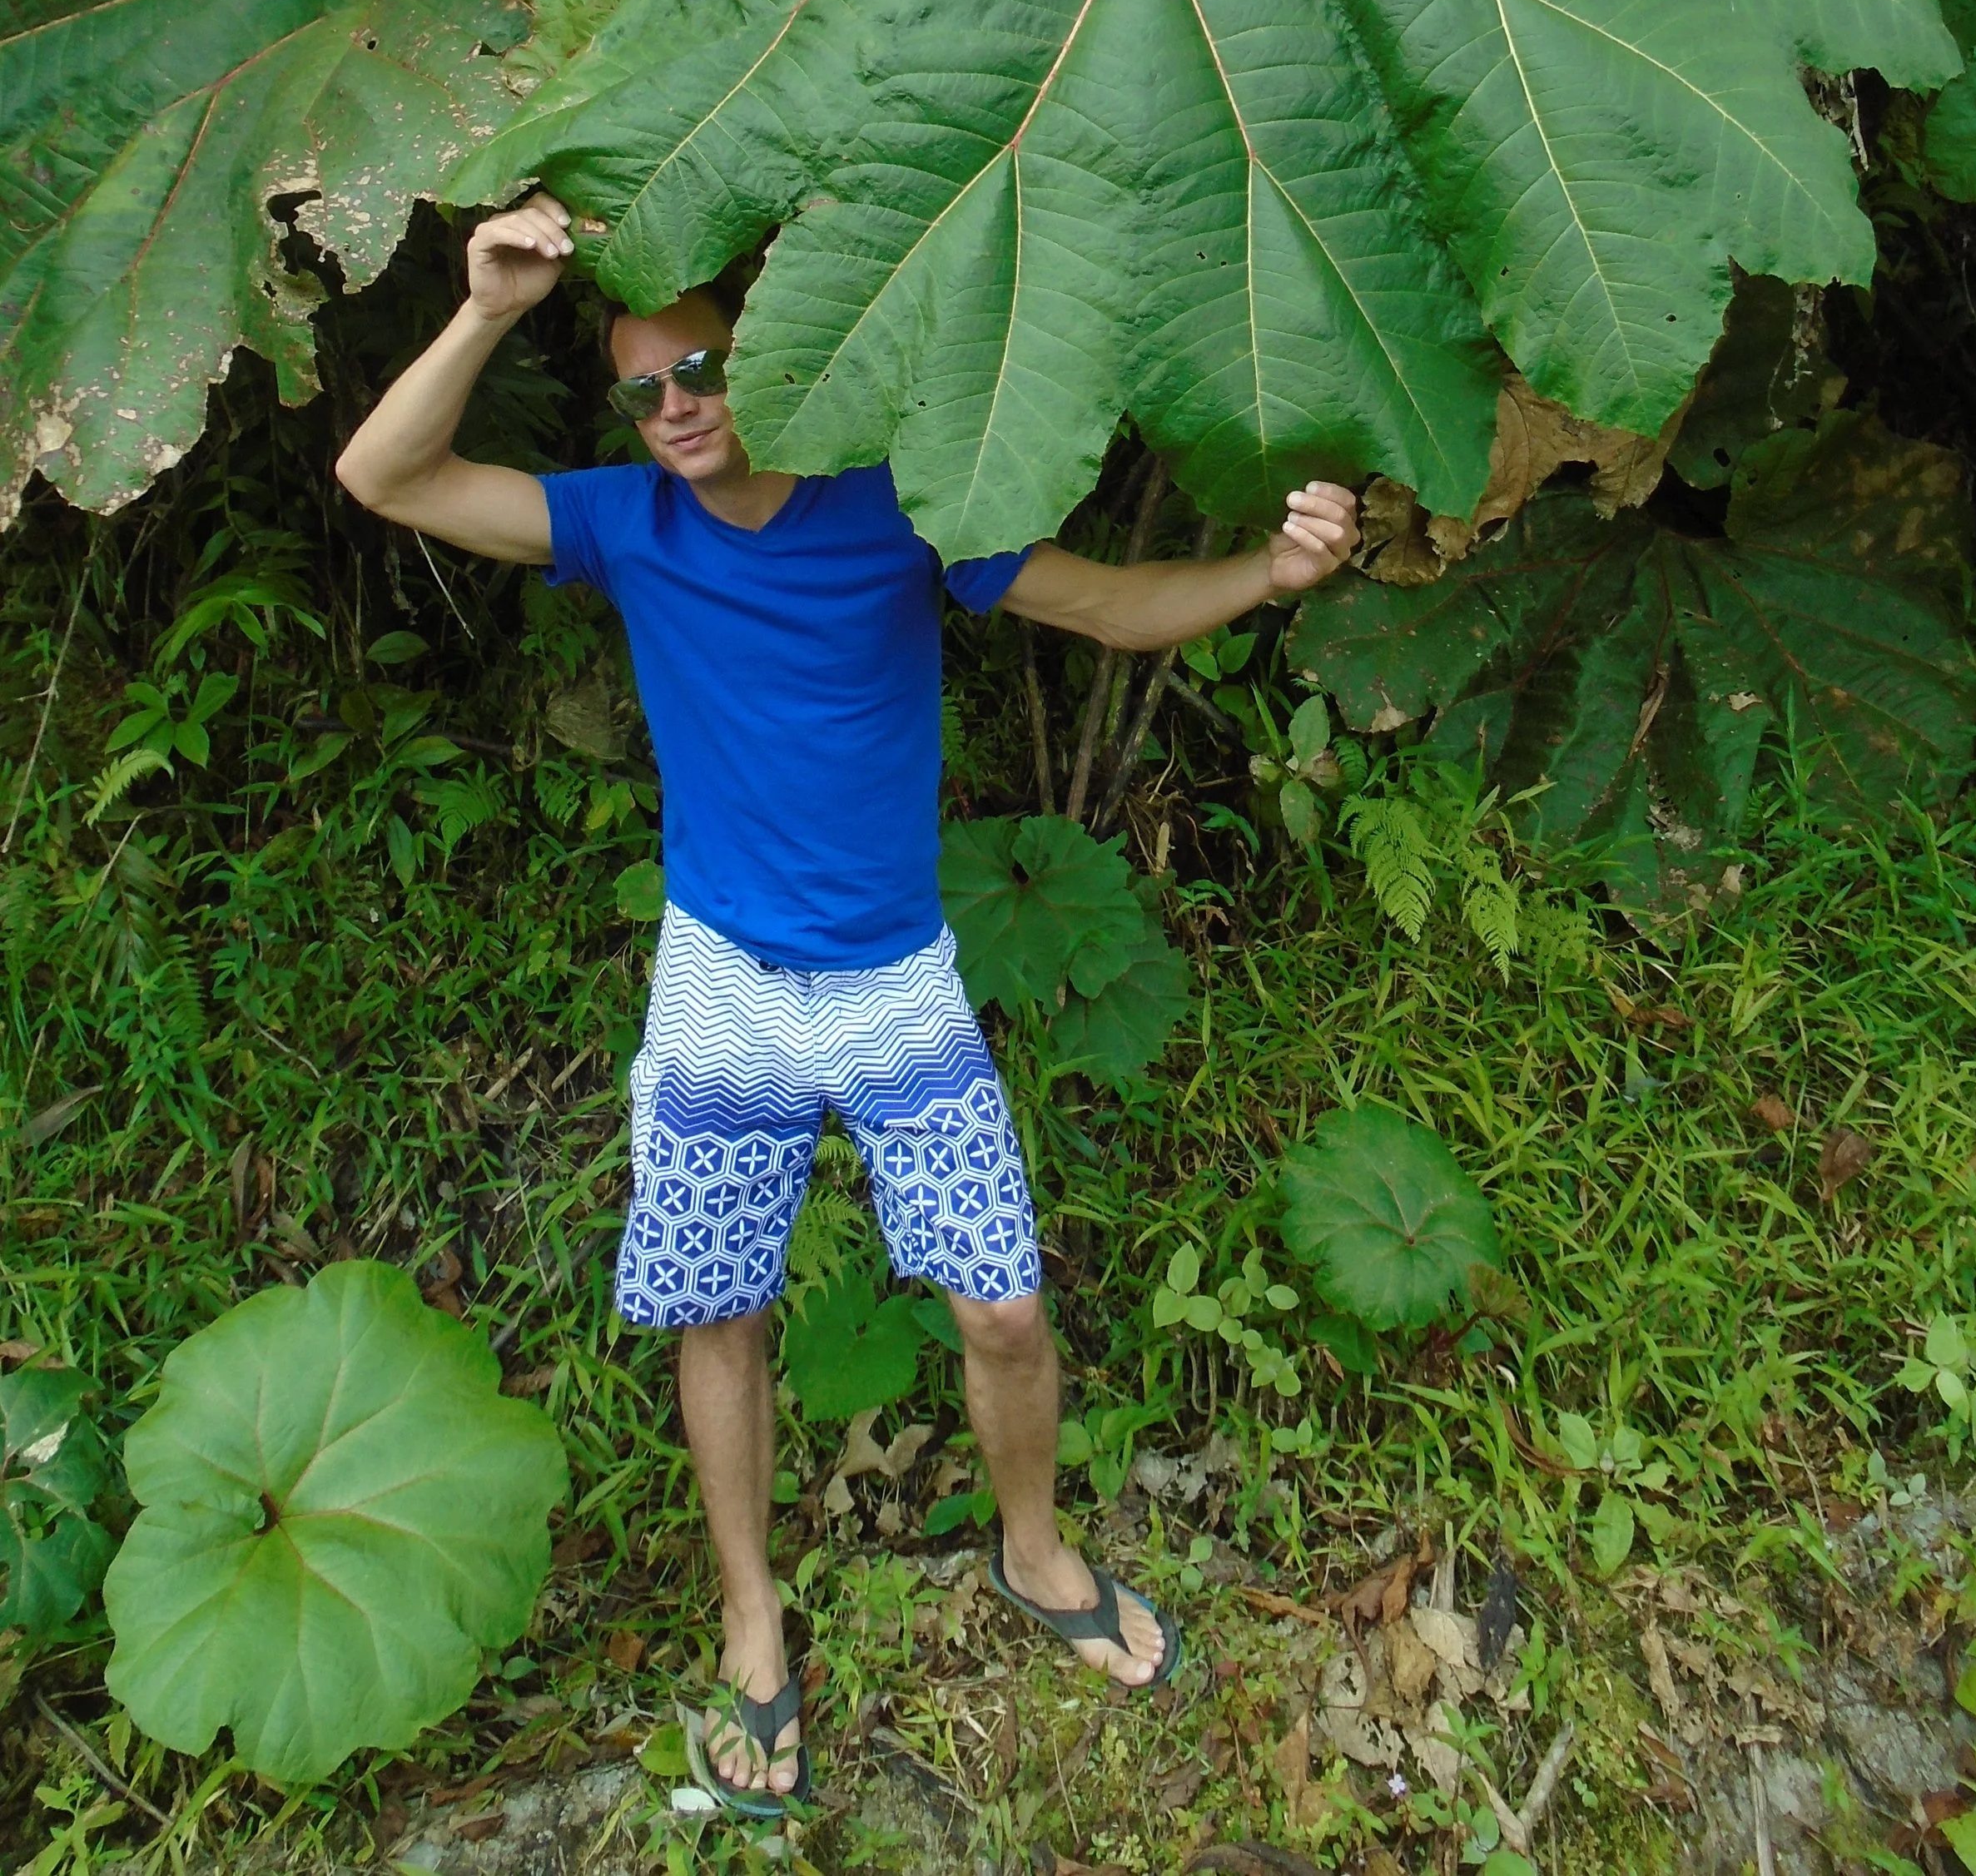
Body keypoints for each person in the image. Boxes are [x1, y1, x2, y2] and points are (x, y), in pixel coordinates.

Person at [335, 192, 1358, 1816]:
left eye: (704, 371)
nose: (674, 408)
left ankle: (1031, 1552)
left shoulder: (903, 507)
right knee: (718, 1310)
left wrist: (1269, 567)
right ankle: (753, 1616)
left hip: (895, 985)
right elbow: (382, 478)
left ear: (780, 355)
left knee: (1001, 1303)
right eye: (643, 389)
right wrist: (481, 309)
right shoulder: (625, 521)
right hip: (721, 987)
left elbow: (1100, 607)